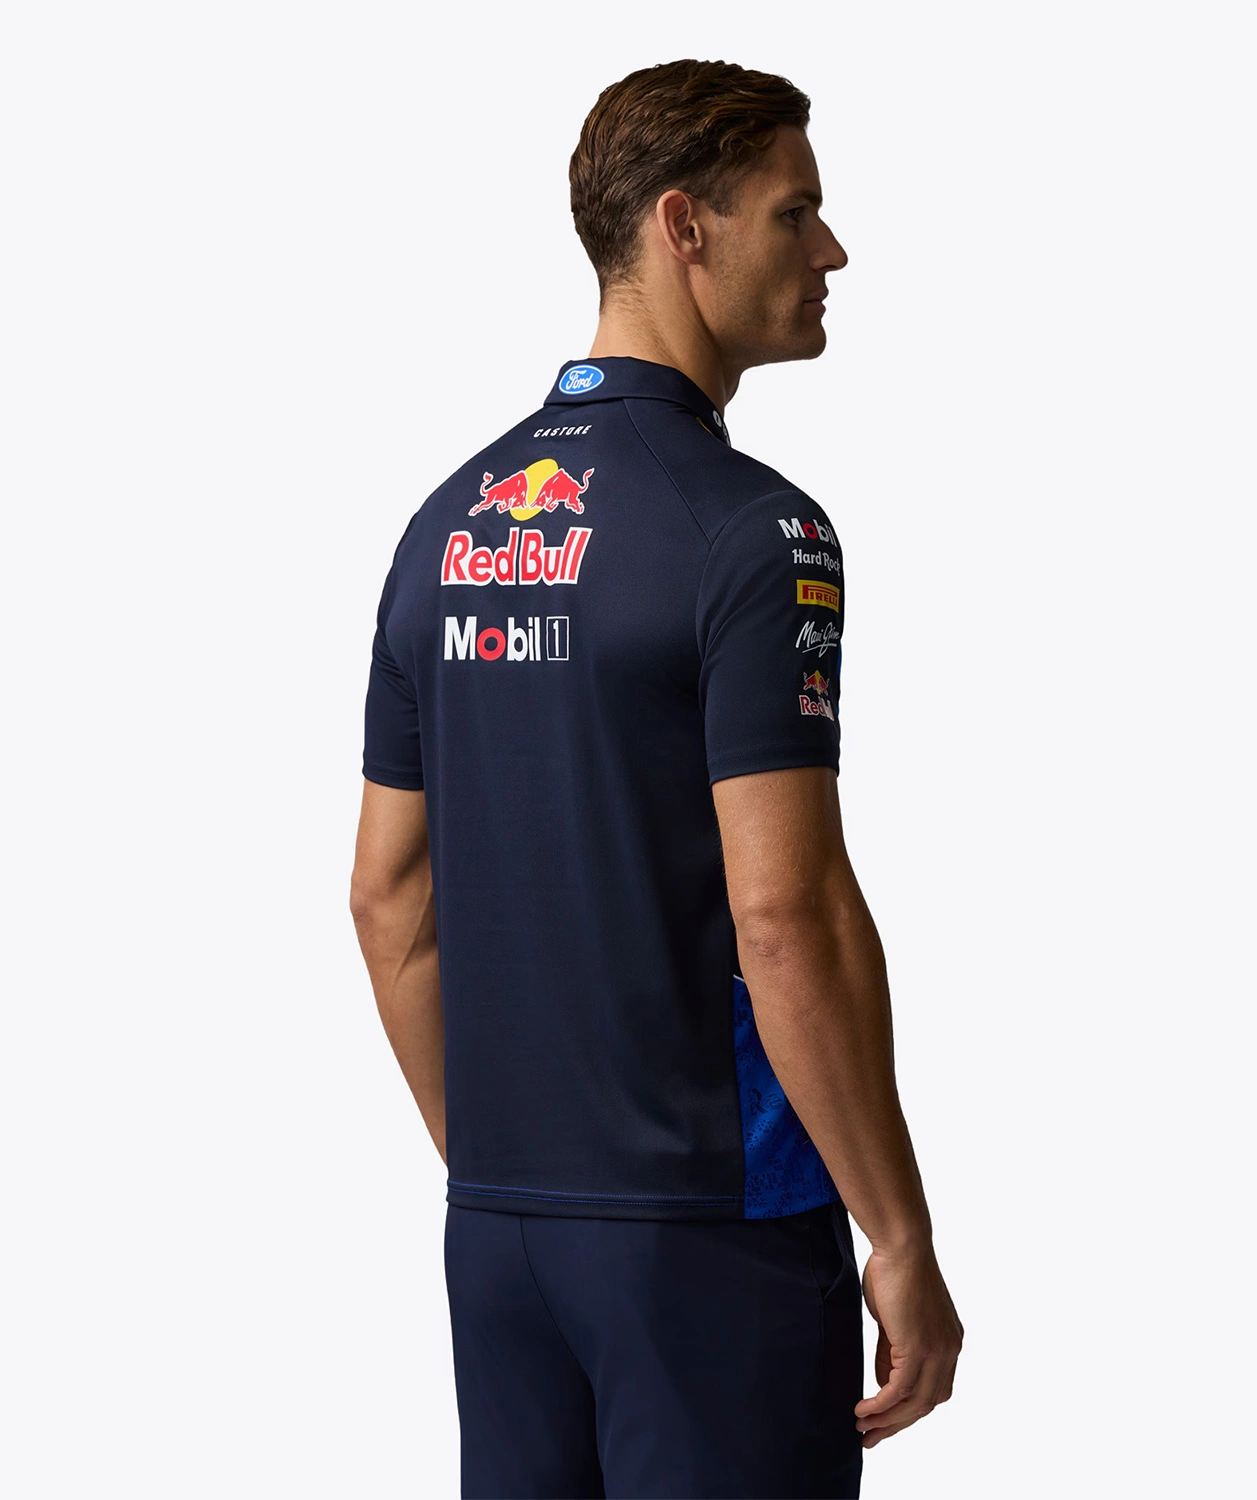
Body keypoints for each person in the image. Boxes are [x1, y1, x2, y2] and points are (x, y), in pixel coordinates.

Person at [350, 58, 961, 1500]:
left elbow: (386, 900)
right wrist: (898, 1234)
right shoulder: (755, 535)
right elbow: (787, 915)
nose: (831, 250)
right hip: (709, 1236)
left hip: (502, 1240)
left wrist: (512, 1176)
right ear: (685, 226)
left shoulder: (443, 528)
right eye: (795, 212)